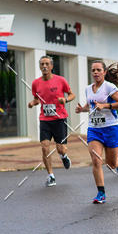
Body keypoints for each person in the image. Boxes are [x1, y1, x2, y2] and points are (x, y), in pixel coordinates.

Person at [76, 59, 118, 203]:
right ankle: (101, 193)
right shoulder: (88, 89)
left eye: (99, 70)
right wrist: (82, 109)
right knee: (96, 160)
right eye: (93, 70)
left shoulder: (109, 87)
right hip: (94, 129)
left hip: (111, 128)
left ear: (104, 72)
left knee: (111, 164)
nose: (96, 72)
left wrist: (105, 106)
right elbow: (91, 106)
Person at [28, 56, 75, 187]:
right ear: (39, 66)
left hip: (60, 119)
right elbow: (37, 99)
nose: (44, 66)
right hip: (45, 119)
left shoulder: (61, 80)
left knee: (60, 149)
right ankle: (51, 176)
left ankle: (64, 157)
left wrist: (65, 100)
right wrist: (33, 103)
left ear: (51, 66)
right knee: (44, 147)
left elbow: (72, 94)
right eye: (42, 64)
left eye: (47, 64)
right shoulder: (36, 83)